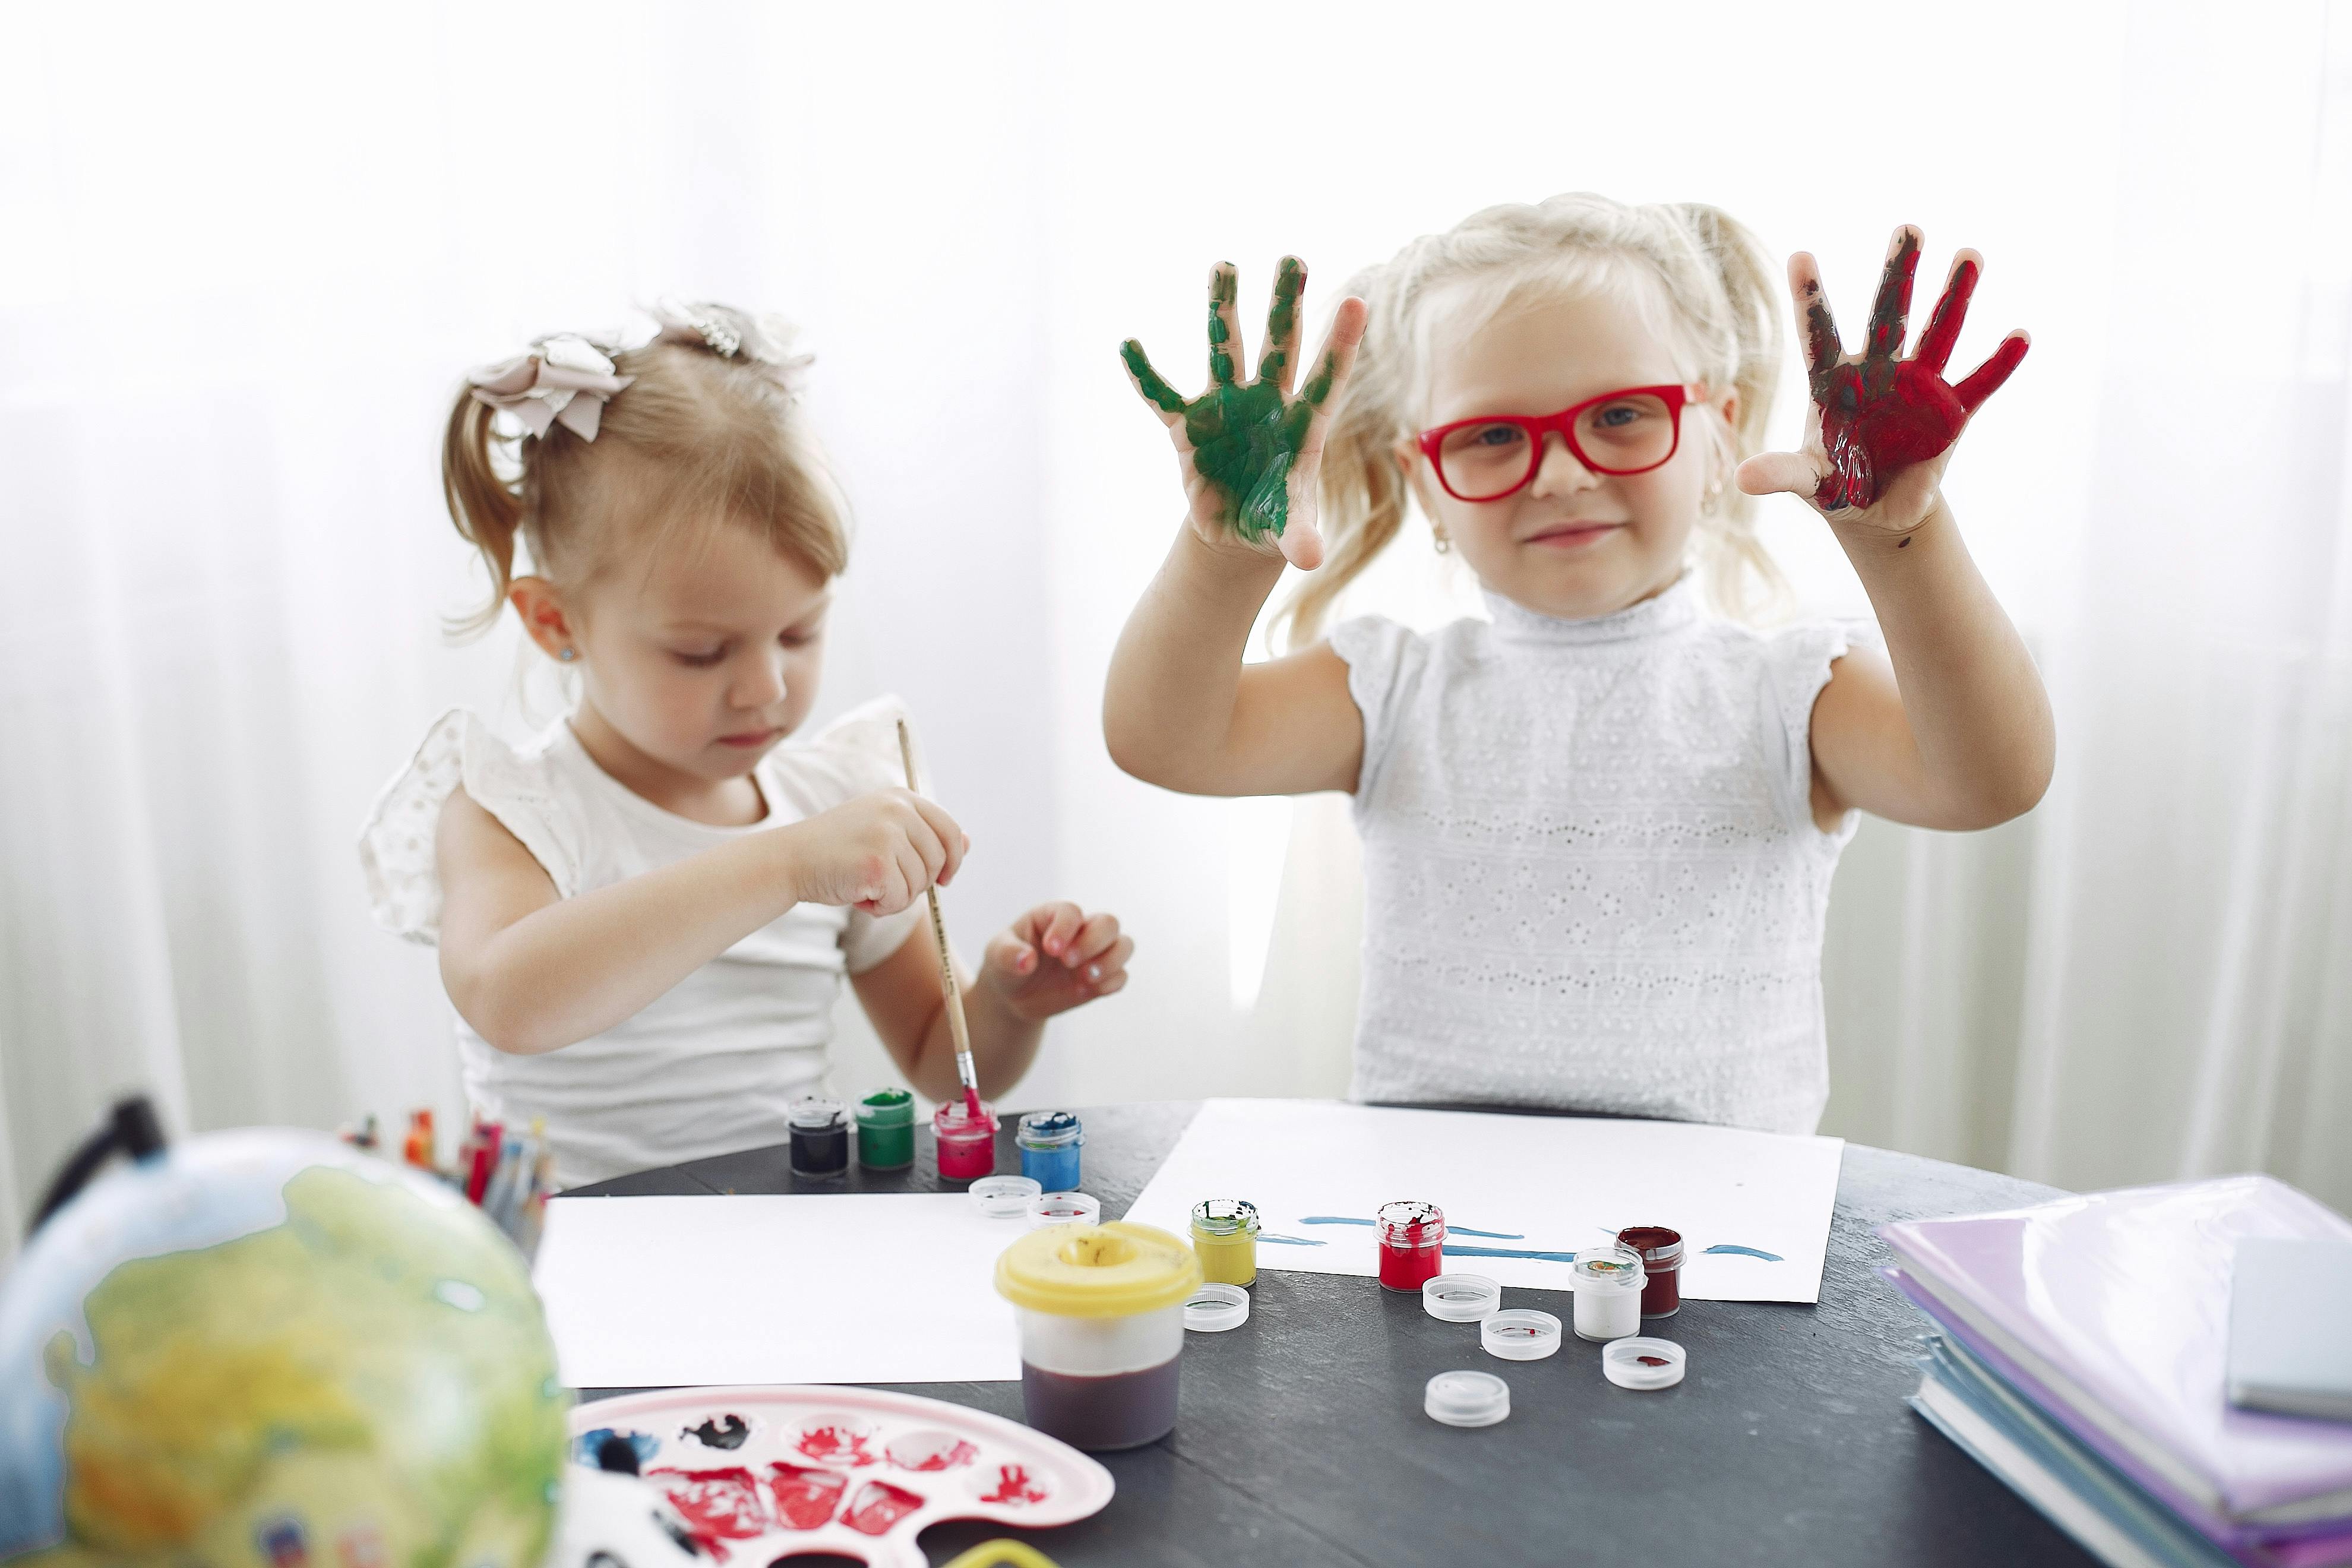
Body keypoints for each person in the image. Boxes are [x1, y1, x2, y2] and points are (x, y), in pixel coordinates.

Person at [1104, 195, 2051, 1134]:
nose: (1560, 472)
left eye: (1622, 416)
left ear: (1718, 435)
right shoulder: (1389, 688)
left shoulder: (1787, 694)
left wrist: (1903, 541)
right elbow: (1165, 743)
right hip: (1435, 1239)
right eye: (1493, 436)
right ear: (1427, 483)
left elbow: (1989, 781)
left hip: (1715, 1238)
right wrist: (1225, 554)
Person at [362, 302, 1130, 1187]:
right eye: (702, 651)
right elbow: (508, 1000)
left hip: (782, 1248)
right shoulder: (513, 810)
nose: (766, 686)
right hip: (583, 1268)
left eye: (800, 634)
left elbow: (938, 1059)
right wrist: (783, 866)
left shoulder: (832, 800)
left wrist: (1006, 1003)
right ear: (554, 622)